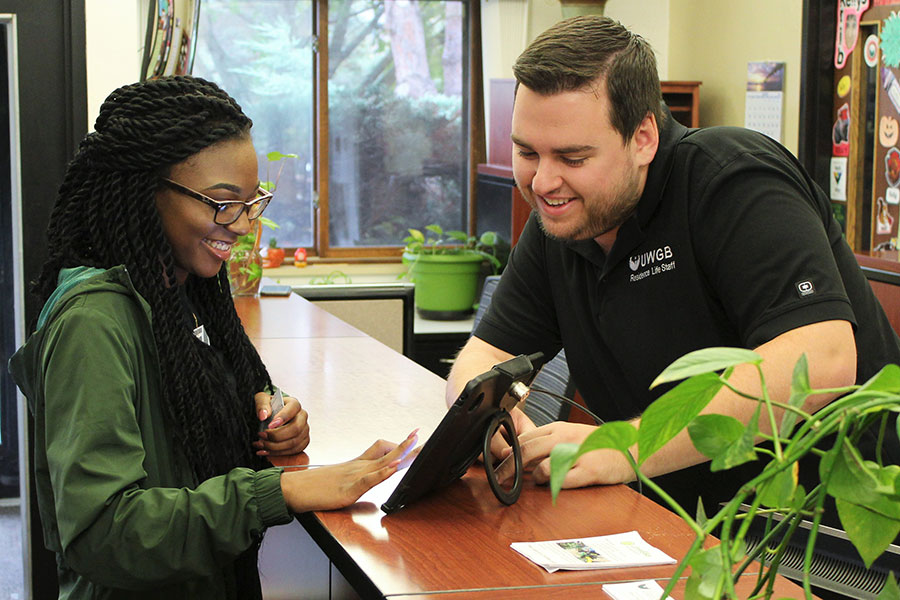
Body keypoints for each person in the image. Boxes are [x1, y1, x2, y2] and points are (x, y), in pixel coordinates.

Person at [447, 16, 900, 514]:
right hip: (679, 521)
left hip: (824, 532)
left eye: (573, 158)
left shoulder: (732, 180)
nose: (543, 181)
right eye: (527, 151)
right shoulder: (562, 219)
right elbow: (485, 355)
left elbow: (824, 360)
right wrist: (490, 424)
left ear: (643, 138)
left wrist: (625, 446)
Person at [8, 75, 416, 599]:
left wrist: (275, 415)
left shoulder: (184, 289)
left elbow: (194, 410)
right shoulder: (94, 323)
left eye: (253, 202)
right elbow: (102, 532)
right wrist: (280, 490)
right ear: (145, 190)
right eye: (222, 203)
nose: (244, 226)